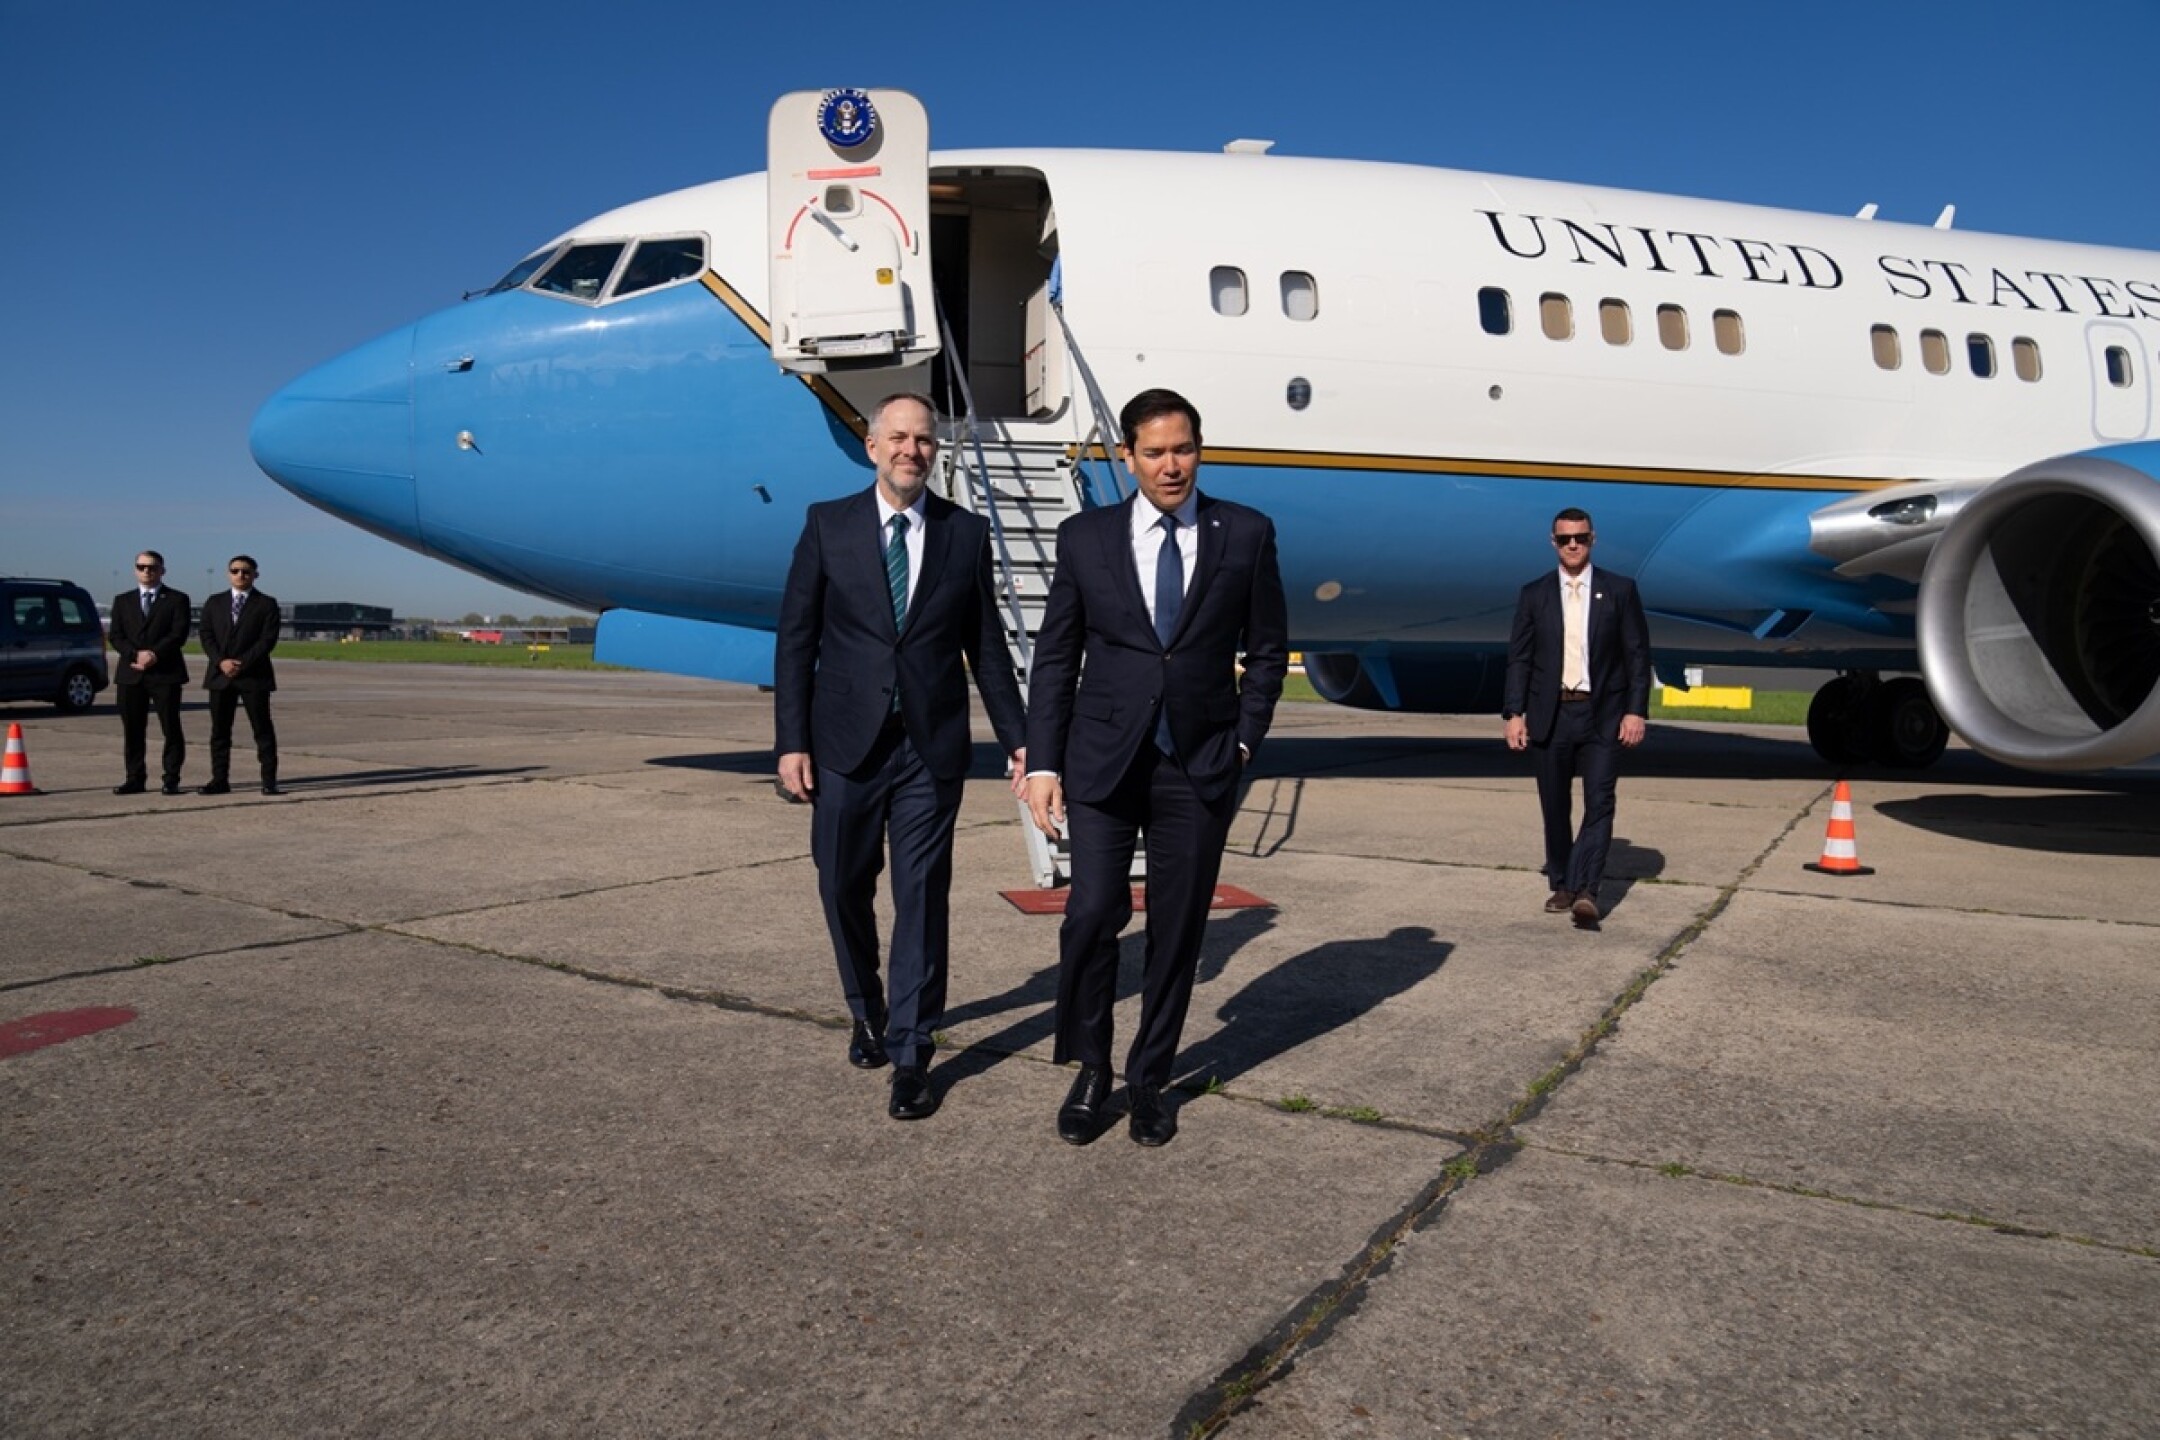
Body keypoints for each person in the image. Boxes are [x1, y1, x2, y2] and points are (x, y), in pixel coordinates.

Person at [1024, 388, 1289, 1147]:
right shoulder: (1086, 538)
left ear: (1199, 450)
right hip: (1102, 761)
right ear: (1128, 456)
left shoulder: (1245, 532)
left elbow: (1268, 651)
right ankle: (1091, 1068)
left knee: (1177, 929)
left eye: (1184, 449)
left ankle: (1148, 1080)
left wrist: (1244, 742)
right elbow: (1056, 658)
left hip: (1199, 764)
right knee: (1090, 915)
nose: (1172, 466)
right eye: (1155, 452)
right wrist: (1044, 763)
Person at [773, 392, 1027, 1121]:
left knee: (920, 898)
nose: (912, 450)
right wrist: (791, 741)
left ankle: (912, 1053)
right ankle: (867, 1008)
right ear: (873, 446)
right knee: (841, 885)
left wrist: (1021, 739)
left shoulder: (964, 533)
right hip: (844, 744)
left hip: (928, 747)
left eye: (924, 440)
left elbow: (985, 648)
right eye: (899, 438)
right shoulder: (828, 525)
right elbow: (796, 638)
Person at [1501, 508, 1651, 927]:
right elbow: (1520, 658)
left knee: (1599, 802)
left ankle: (1587, 889)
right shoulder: (1534, 594)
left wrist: (1635, 711)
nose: (1573, 545)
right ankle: (1563, 883)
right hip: (1551, 714)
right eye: (1566, 538)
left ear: (1592, 540)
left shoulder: (1619, 590)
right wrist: (1514, 713)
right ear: (1553, 542)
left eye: (1581, 538)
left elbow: (1637, 656)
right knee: (1554, 805)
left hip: (1603, 713)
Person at [109, 551, 191, 795]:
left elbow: (178, 634)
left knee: (170, 727)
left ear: (162, 571)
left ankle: (171, 778)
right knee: (133, 729)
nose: (147, 571)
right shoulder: (122, 601)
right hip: (131, 673)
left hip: (165, 673)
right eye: (142, 567)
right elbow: (116, 636)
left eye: (152, 567)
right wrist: (135, 655)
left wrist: (154, 654)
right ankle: (134, 778)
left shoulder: (177, 599)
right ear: (135, 569)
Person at [199, 555, 282, 796]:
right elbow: (206, 635)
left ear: (255, 575)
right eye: (235, 571)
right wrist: (221, 661)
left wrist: (242, 663)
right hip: (220, 675)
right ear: (228, 574)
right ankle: (219, 780)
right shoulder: (214, 602)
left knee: (262, 729)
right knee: (220, 732)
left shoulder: (266, 604)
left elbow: (267, 640)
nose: (240, 575)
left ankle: (269, 780)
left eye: (246, 571)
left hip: (253, 676)